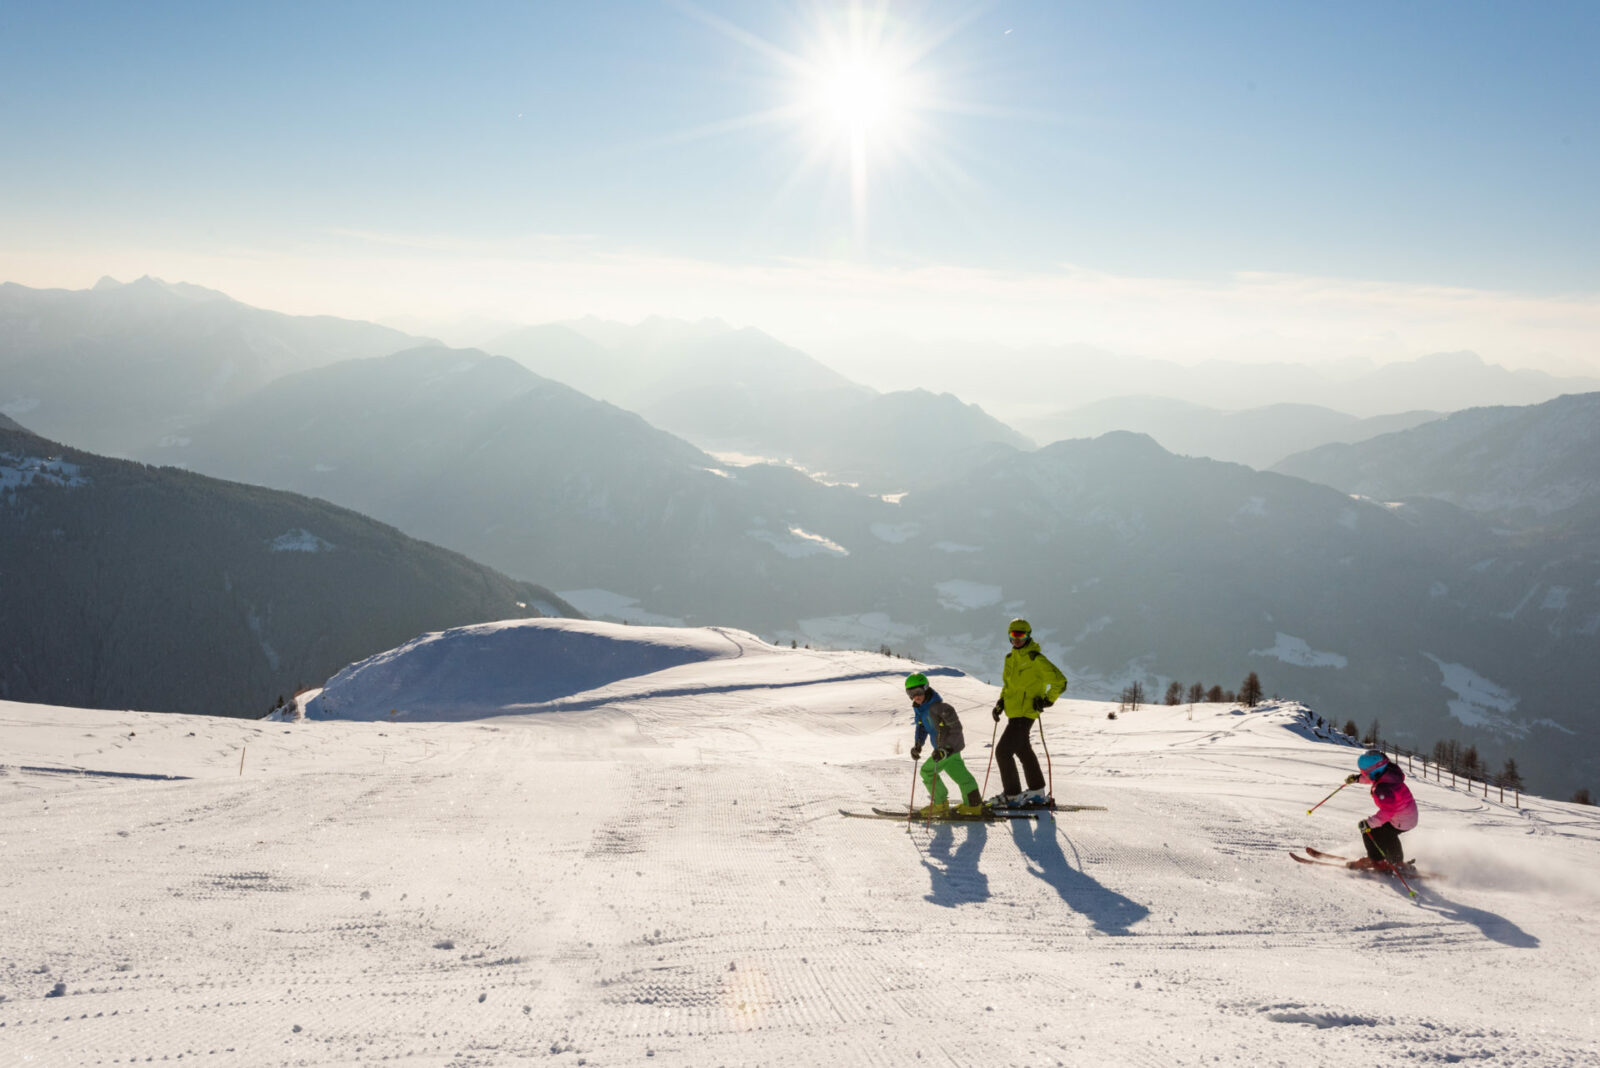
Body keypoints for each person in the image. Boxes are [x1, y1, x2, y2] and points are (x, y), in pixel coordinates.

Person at [989, 618, 1068, 809]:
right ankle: (1037, 791)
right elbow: (1008, 686)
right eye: (1013, 636)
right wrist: (1001, 703)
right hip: (1014, 712)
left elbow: (1060, 682)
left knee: (1003, 752)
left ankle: (1013, 795)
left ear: (1028, 635)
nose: (1016, 640)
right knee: (1022, 750)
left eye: (1021, 635)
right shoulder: (1010, 659)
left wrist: (1047, 700)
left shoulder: (1036, 659)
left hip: (1026, 713)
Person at [905, 673, 985, 817]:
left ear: (925, 688)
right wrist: (918, 745)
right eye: (910, 693)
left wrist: (946, 749)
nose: (915, 696)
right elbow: (921, 727)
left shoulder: (941, 708)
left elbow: (956, 729)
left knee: (927, 771)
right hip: (943, 750)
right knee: (960, 775)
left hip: (948, 748)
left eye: (917, 692)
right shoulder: (920, 709)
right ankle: (973, 805)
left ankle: (940, 804)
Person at [1344, 749, 1418, 871]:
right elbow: (1373, 778)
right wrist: (1357, 779)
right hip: (1408, 816)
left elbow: (1388, 812)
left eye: (1365, 773)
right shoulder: (1389, 774)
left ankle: (1378, 861)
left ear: (1374, 771)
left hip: (1401, 819)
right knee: (1387, 834)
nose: (1365, 775)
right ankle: (1395, 861)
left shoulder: (1383, 788)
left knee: (1369, 831)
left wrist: (1369, 823)